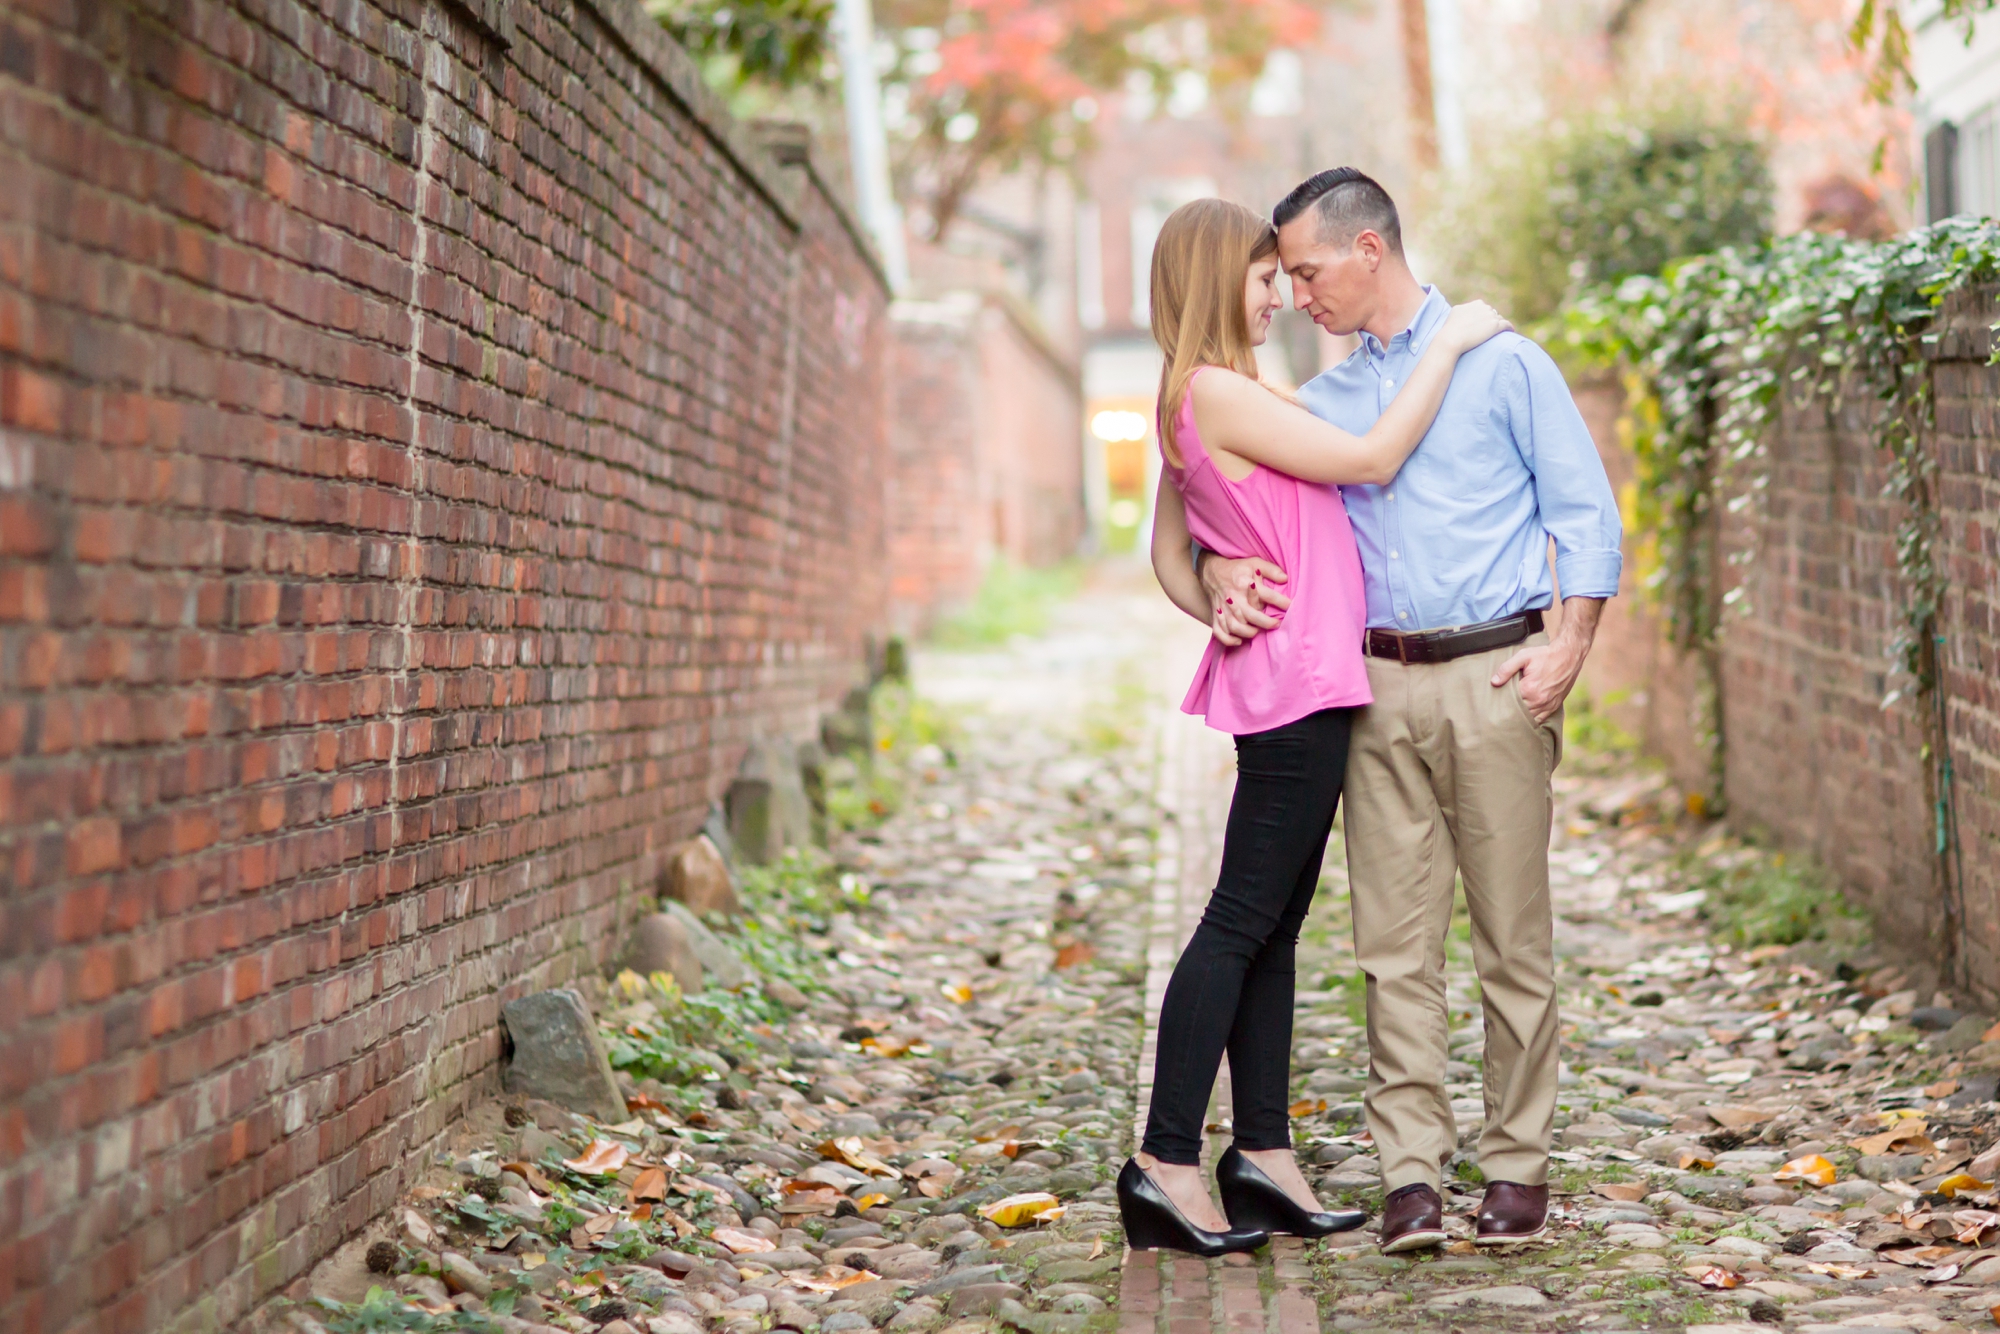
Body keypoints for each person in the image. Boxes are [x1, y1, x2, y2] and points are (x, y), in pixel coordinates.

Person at [1178, 168, 1624, 1251]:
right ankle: (1411, 1175)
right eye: (1280, 274)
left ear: (1367, 250)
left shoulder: (1505, 364)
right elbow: (1219, 492)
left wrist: (1567, 642)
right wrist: (1213, 567)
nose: (1294, 292)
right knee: (1390, 946)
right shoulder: (1316, 402)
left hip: (1494, 677)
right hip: (1368, 691)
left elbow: (1584, 511)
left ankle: (1516, 1163)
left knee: (1512, 939)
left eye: (1306, 268)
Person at [1118, 197, 1512, 1257]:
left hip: (1298, 677)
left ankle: (1262, 1154)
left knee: (1273, 927)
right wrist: (1454, 338)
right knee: (1240, 920)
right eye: (1260, 276)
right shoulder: (1215, 391)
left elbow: (1163, 549)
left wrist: (1209, 584)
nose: (1278, 292)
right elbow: (1374, 455)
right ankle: (1162, 1160)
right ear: (1215, 281)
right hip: (1295, 686)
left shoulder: (1200, 395)